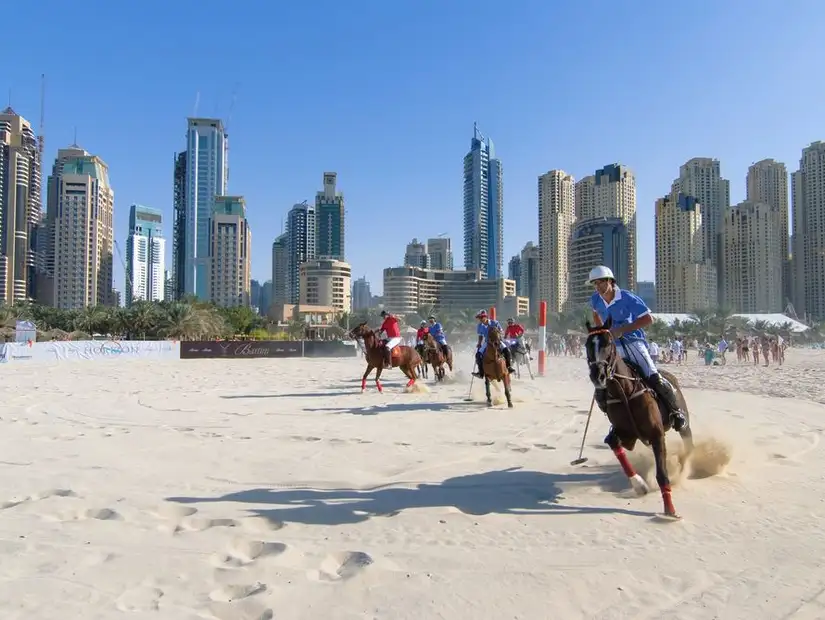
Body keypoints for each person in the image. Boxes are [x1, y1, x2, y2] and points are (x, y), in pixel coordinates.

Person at [587, 265, 688, 432]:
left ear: (610, 281)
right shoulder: (595, 300)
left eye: (600, 283)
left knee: (653, 376)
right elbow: (596, 314)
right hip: (614, 347)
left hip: (634, 343)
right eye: (595, 284)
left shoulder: (627, 298)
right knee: (604, 382)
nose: (597, 287)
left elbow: (648, 319)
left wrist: (622, 330)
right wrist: (603, 333)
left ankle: (676, 413)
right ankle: (617, 422)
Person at [473, 309, 514, 377]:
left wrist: (498, 335)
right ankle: (480, 372)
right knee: (478, 355)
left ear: (486, 317)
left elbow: (501, 331)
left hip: (497, 341)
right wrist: (479, 343)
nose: (480, 319)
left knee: (507, 350)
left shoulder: (495, 322)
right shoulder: (479, 326)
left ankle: (509, 367)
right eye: (479, 318)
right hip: (487, 342)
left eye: (482, 317)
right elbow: (480, 335)